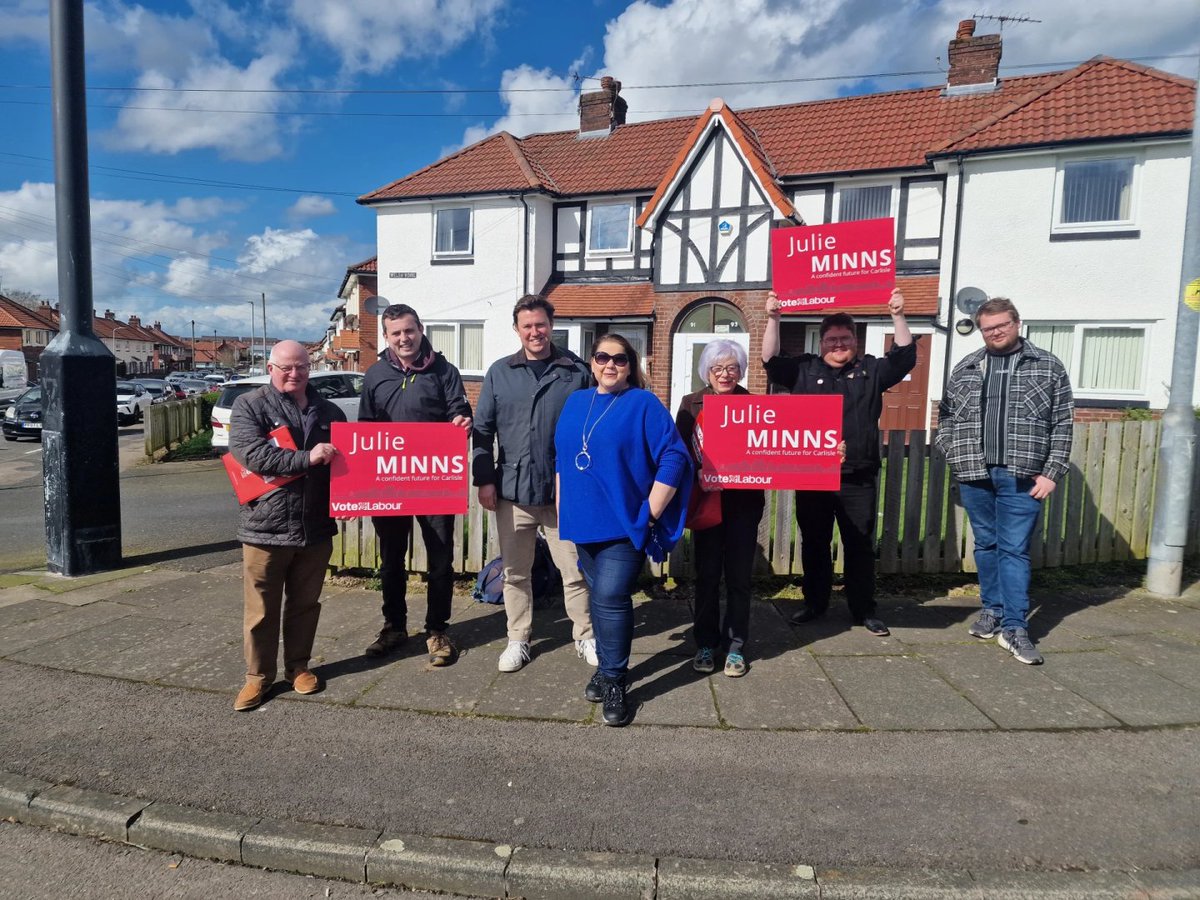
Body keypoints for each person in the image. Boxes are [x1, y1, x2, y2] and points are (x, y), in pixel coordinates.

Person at [554, 334, 691, 726]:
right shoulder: (577, 401)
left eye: (619, 358)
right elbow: (563, 459)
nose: (609, 364)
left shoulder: (642, 403)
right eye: (602, 357)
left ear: (630, 365)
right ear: (592, 362)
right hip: (583, 522)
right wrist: (564, 511)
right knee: (598, 595)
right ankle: (607, 668)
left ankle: (614, 678)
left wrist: (650, 511)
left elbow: (673, 456)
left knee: (612, 595)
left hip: (624, 522)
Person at [762, 288, 915, 636]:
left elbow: (905, 358)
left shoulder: (872, 369)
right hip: (813, 476)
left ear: (855, 342)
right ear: (822, 343)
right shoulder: (803, 369)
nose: (838, 345)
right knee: (814, 543)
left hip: (858, 476)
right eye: (831, 339)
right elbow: (770, 361)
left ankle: (864, 610)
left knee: (859, 544)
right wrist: (773, 318)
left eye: (845, 339)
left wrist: (897, 314)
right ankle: (814, 604)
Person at [936, 297, 1073, 665]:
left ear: (1016, 323)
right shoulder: (967, 367)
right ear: (980, 330)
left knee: (1014, 549)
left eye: (1002, 325)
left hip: (1022, 475)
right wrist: (953, 451)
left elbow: (1062, 423)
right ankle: (992, 610)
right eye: (988, 327)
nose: (995, 332)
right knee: (985, 545)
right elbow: (946, 416)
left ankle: (1015, 628)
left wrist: (1052, 471)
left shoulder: (1047, 366)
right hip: (975, 473)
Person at [472, 294, 597, 673]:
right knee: (515, 572)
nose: (534, 332)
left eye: (540, 324)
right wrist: (484, 480)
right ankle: (518, 639)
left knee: (574, 571)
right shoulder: (499, 371)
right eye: (527, 326)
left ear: (551, 325)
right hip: (512, 491)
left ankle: (585, 635)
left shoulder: (575, 370)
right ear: (517, 330)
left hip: (563, 493)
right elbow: (482, 430)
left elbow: (595, 423)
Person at [228, 339, 345, 711]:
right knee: (261, 609)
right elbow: (251, 453)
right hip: (266, 526)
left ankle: (298, 667)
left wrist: (353, 494)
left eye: (302, 367)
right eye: (286, 368)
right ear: (271, 369)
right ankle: (257, 677)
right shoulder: (250, 405)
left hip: (315, 525)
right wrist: (307, 458)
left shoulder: (329, 411)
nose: (295, 374)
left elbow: (346, 461)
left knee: (305, 603)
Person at [359, 303, 472, 667]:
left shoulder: (445, 370)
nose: (404, 338)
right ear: (387, 337)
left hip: (433, 481)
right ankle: (394, 627)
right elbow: (365, 428)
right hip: (388, 482)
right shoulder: (375, 374)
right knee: (391, 560)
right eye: (396, 333)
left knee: (440, 560)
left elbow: (460, 410)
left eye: (409, 330)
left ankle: (437, 629)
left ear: (420, 329)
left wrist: (462, 420)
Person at [674, 339, 765, 677]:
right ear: (706, 371)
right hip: (706, 503)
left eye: (731, 368)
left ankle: (737, 646)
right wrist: (695, 470)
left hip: (743, 505)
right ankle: (706, 644)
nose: (725, 374)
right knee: (707, 577)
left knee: (739, 579)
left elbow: (771, 450)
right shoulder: (690, 404)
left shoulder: (754, 405)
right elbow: (678, 452)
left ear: (740, 371)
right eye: (717, 368)